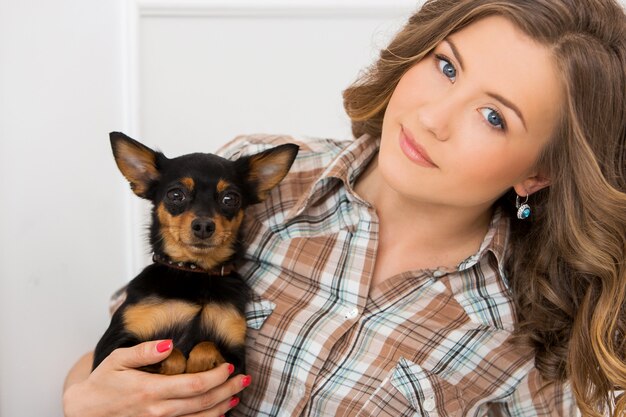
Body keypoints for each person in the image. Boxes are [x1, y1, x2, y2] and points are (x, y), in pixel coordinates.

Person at [63, 0, 626, 415]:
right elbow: (104, 369)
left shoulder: (534, 335)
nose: (434, 116)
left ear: (539, 172)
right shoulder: (258, 186)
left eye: (494, 116)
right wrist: (81, 401)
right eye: (447, 67)